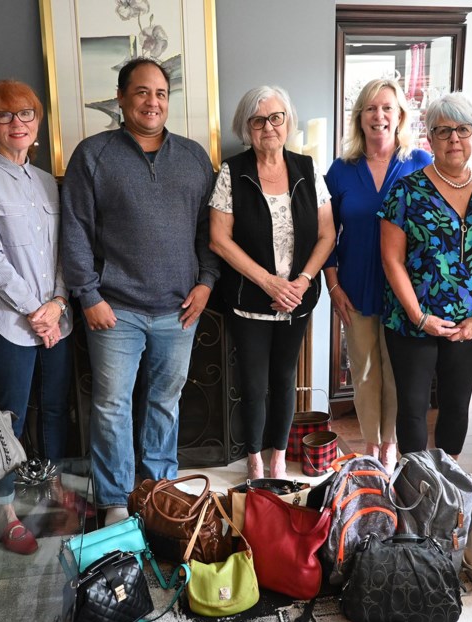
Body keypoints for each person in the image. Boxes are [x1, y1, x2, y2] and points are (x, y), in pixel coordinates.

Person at [60, 58, 219, 525]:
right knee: (111, 406)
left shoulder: (193, 158)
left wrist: (207, 283)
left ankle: (158, 491)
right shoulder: (93, 155)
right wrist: (88, 295)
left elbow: (209, 230)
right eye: (142, 93)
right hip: (116, 309)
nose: (153, 102)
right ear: (122, 98)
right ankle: (114, 501)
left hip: (179, 309)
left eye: (161, 94)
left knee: (165, 404)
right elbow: (75, 231)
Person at [0, 80, 88, 554]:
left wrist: (56, 304)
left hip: (56, 318)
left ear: (39, 121)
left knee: (56, 410)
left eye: (26, 114)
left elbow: (63, 250)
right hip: (9, 324)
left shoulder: (46, 179)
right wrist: (35, 311)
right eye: (4, 116)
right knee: (5, 421)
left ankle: (53, 491)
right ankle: (6, 509)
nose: (17, 124)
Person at [208, 86, 335, 480]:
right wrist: (268, 282)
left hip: (297, 298)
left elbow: (328, 233)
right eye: (259, 120)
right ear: (247, 127)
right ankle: (254, 459)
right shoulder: (232, 171)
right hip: (250, 299)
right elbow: (218, 238)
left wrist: (302, 280)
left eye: (276, 117)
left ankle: (278, 458)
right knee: (252, 382)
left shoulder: (308, 169)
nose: (269, 127)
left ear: (288, 122)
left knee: (284, 379)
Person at [379, 92, 472, 459]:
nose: (454, 138)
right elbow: (392, 260)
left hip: (469, 322)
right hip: (411, 321)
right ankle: (415, 484)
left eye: (462, 129)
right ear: (430, 139)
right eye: (443, 131)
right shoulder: (405, 190)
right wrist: (418, 317)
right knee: (413, 407)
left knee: (456, 404)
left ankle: (449, 480)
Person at [324, 79, 432, 470]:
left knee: (396, 370)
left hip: (404, 289)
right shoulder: (340, 170)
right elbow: (325, 234)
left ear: (400, 115)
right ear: (360, 117)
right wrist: (332, 284)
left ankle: (390, 445)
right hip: (354, 286)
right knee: (365, 369)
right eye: (370, 108)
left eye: (387, 108)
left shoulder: (419, 163)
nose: (379, 116)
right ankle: (371, 444)